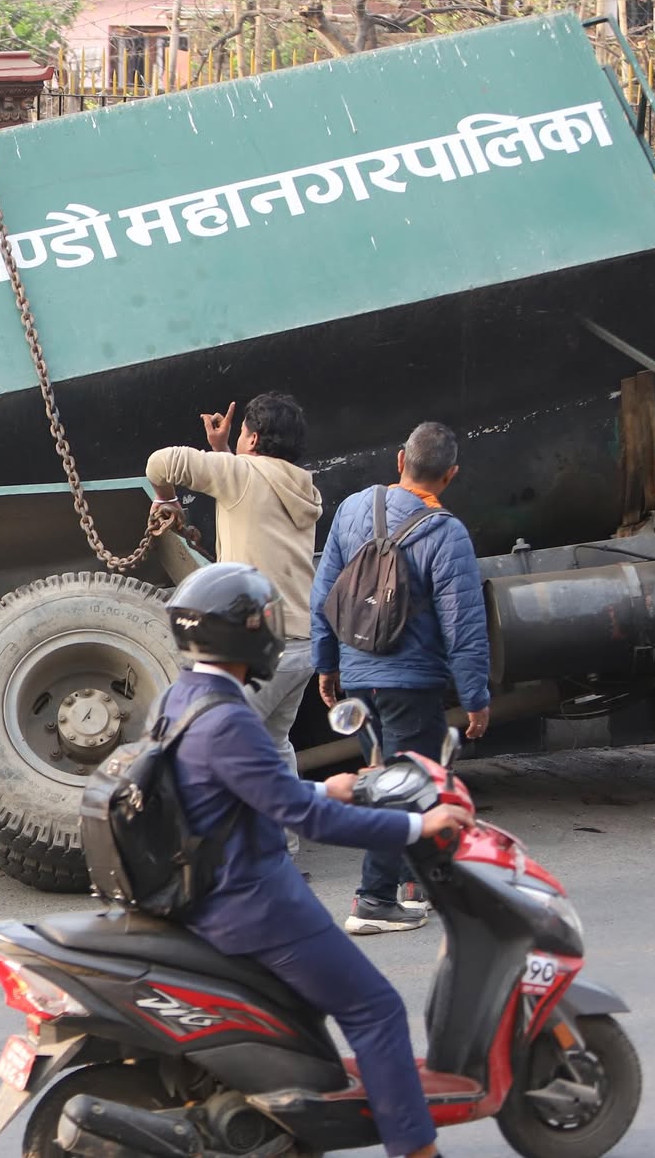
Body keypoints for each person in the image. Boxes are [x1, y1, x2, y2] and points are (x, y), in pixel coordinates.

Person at [154, 562, 471, 1158]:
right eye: (263, 621)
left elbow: (255, 795)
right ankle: (416, 1150)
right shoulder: (229, 720)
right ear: (241, 636)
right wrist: (417, 824)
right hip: (254, 904)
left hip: (211, 890)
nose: (272, 631)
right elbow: (308, 822)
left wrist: (332, 786)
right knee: (375, 1008)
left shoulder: (181, 700)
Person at [312, 421, 491, 935]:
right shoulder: (446, 532)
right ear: (450, 475)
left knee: (400, 779)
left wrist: (328, 664)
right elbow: (464, 624)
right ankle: (372, 899)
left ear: (399, 461)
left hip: (359, 673)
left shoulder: (352, 509)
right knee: (399, 787)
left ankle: (418, 885)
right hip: (409, 681)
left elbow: (325, 593)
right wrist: (475, 695)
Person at [146, 393, 322, 778]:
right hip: (302, 646)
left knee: (220, 751)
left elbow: (159, 462)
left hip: (260, 648)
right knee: (274, 746)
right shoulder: (301, 488)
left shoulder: (240, 475)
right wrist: (223, 450)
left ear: (255, 439)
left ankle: (234, 837)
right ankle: (283, 839)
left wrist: (168, 500)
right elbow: (248, 493)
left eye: (243, 433)